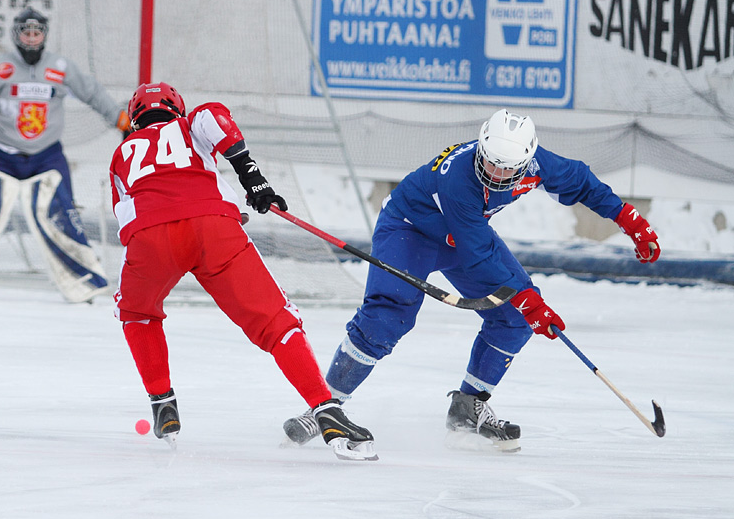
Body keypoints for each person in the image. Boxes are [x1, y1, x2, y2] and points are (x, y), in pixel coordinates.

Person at [282, 109, 661, 452]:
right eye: (490, 162)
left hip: (463, 236)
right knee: (386, 319)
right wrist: (529, 299)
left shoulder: (536, 165)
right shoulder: (458, 177)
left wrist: (630, 220)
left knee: (513, 319)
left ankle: (469, 406)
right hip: (409, 230)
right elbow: (477, 253)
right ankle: (324, 406)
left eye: (505, 169)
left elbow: (580, 181)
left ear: (527, 162)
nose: (494, 173)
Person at [109, 81, 377, 461]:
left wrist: (168, 237)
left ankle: (162, 400)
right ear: (177, 109)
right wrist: (252, 178)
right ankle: (326, 408)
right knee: (276, 322)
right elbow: (214, 116)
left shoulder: (122, 153)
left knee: (137, 312)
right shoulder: (187, 125)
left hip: (150, 238)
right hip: (215, 229)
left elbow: (126, 221)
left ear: (136, 119)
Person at [0, 7, 130, 303]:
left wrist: (121, 121)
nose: (32, 38)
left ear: (45, 35)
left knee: (63, 212)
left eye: (37, 33)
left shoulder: (60, 67)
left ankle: (81, 279)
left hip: (46, 155)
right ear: (16, 35)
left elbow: (93, 93)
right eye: (26, 32)